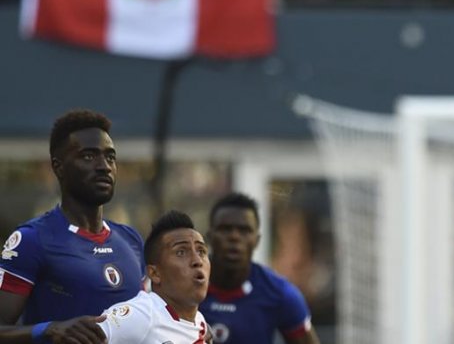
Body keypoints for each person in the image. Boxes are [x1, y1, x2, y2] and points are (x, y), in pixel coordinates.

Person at [0, 109, 145, 344]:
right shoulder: (32, 240)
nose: (104, 166)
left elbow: (150, 321)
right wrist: (50, 329)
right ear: (58, 167)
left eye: (110, 157)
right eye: (89, 156)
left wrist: (192, 329)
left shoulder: (131, 241)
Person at [201, 193, 320, 344]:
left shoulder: (280, 293)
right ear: (210, 236)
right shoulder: (183, 287)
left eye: (244, 231)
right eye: (225, 229)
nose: (234, 238)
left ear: (256, 240)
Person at [97, 210, 210, 343]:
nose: (197, 261)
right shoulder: (141, 314)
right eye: (181, 252)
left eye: (201, 251)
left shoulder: (200, 323)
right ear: (154, 273)